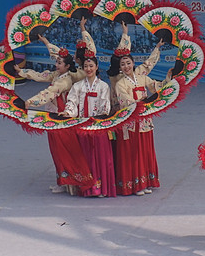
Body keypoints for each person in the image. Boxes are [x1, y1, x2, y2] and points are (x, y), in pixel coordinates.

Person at [18, 34, 95, 195]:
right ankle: (65, 180)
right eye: (56, 61)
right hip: (55, 114)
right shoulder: (59, 74)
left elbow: (49, 93)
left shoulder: (65, 80)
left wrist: (30, 102)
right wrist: (23, 72)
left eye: (59, 63)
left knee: (64, 150)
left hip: (62, 117)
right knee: (58, 149)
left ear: (67, 66)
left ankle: (71, 180)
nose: (56, 64)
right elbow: (42, 75)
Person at [64, 49, 116, 197]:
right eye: (86, 66)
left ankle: (101, 188)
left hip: (98, 125)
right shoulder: (78, 86)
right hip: (82, 125)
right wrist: (68, 112)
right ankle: (87, 188)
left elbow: (106, 104)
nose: (88, 69)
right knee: (85, 158)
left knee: (101, 158)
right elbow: (72, 102)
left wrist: (100, 117)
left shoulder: (103, 86)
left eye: (91, 66)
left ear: (97, 67)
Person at [113, 40, 162, 195]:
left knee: (145, 150)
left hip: (145, 120)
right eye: (123, 64)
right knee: (133, 154)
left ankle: (145, 182)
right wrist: (139, 103)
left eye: (128, 63)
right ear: (120, 68)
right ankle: (134, 184)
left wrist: (169, 81)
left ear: (133, 63)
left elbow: (155, 87)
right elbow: (124, 101)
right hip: (131, 122)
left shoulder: (142, 78)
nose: (126, 66)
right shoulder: (120, 83)